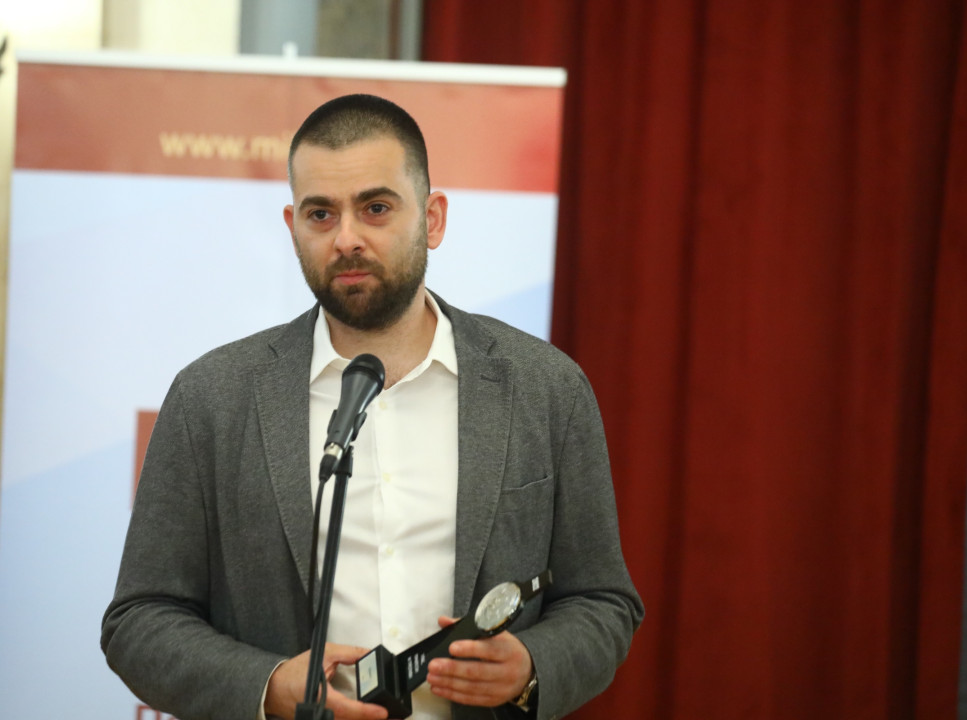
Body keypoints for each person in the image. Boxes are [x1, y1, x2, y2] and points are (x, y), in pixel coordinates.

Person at [101, 94, 643, 720]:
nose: (346, 239)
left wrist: (532, 666)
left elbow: (603, 601)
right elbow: (138, 621)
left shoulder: (545, 388)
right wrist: (268, 685)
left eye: (376, 208)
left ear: (432, 219)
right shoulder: (212, 399)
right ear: (292, 226)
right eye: (321, 214)